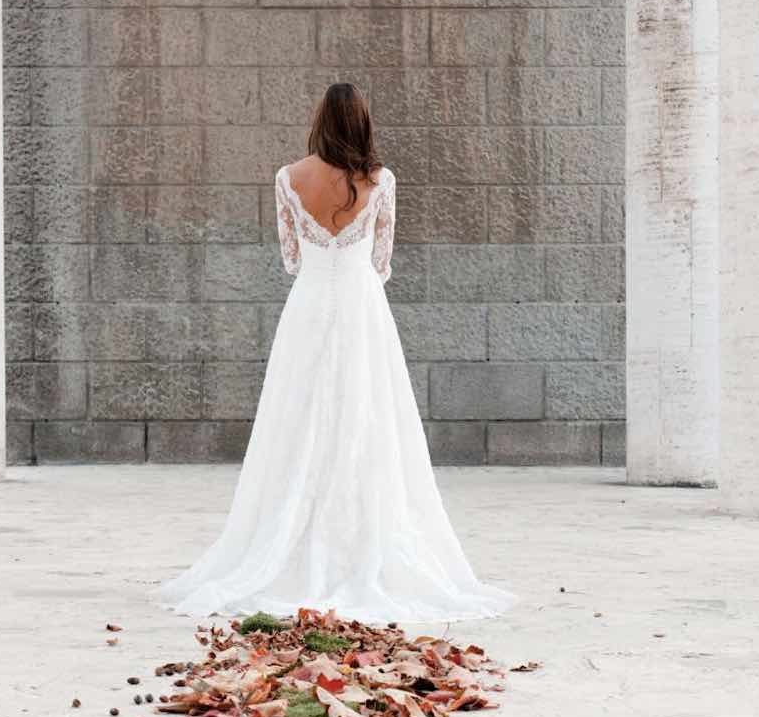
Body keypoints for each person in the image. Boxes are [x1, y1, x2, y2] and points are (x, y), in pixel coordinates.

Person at [156, 83, 516, 623]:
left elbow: (292, 260)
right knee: (366, 420)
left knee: (297, 419)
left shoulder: (288, 178)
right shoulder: (380, 180)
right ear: (362, 122)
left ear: (321, 120)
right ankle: (358, 540)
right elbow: (381, 262)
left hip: (307, 309)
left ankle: (287, 542)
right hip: (361, 309)